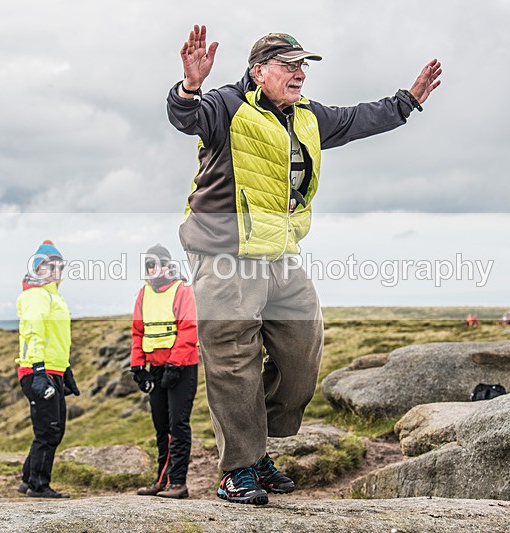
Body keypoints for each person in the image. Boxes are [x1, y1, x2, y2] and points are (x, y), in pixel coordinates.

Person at [166, 25, 441, 505]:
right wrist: (190, 86)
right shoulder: (227, 106)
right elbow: (186, 116)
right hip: (223, 252)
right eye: (289, 65)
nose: (299, 74)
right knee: (233, 361)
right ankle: (239, 468)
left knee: (302, 350)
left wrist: (408, 100)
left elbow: (359, 118)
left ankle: (255, 443)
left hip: (278, 251)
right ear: (259, 71)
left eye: (303, 67)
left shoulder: (308, 116)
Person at [130, 244, 199, 499]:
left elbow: (189, 329)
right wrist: (138, 366)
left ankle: (178, 483)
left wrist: (175, 364)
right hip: (156, 369)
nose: (152, 269)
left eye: (156, 264)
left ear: (168, 265)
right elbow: (138, 332)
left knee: (177, 426)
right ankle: (162, 480)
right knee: (161, 427)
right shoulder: (143, 293)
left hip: (182, 368)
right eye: (148, 265)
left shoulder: (182, 290)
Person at [16, 240, 79, 499]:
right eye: (48, 266)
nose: (54, 271)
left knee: (53, 429)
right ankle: (38, 486)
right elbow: (33, 334)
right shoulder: (35, 295)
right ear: (37, 268)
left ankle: (27, 479)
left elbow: (57, 339)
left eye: (58, 266)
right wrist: (39, 371)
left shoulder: (53, 296)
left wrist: (66, 371)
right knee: (49, 431)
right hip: (38, 372)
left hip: (53, 371)